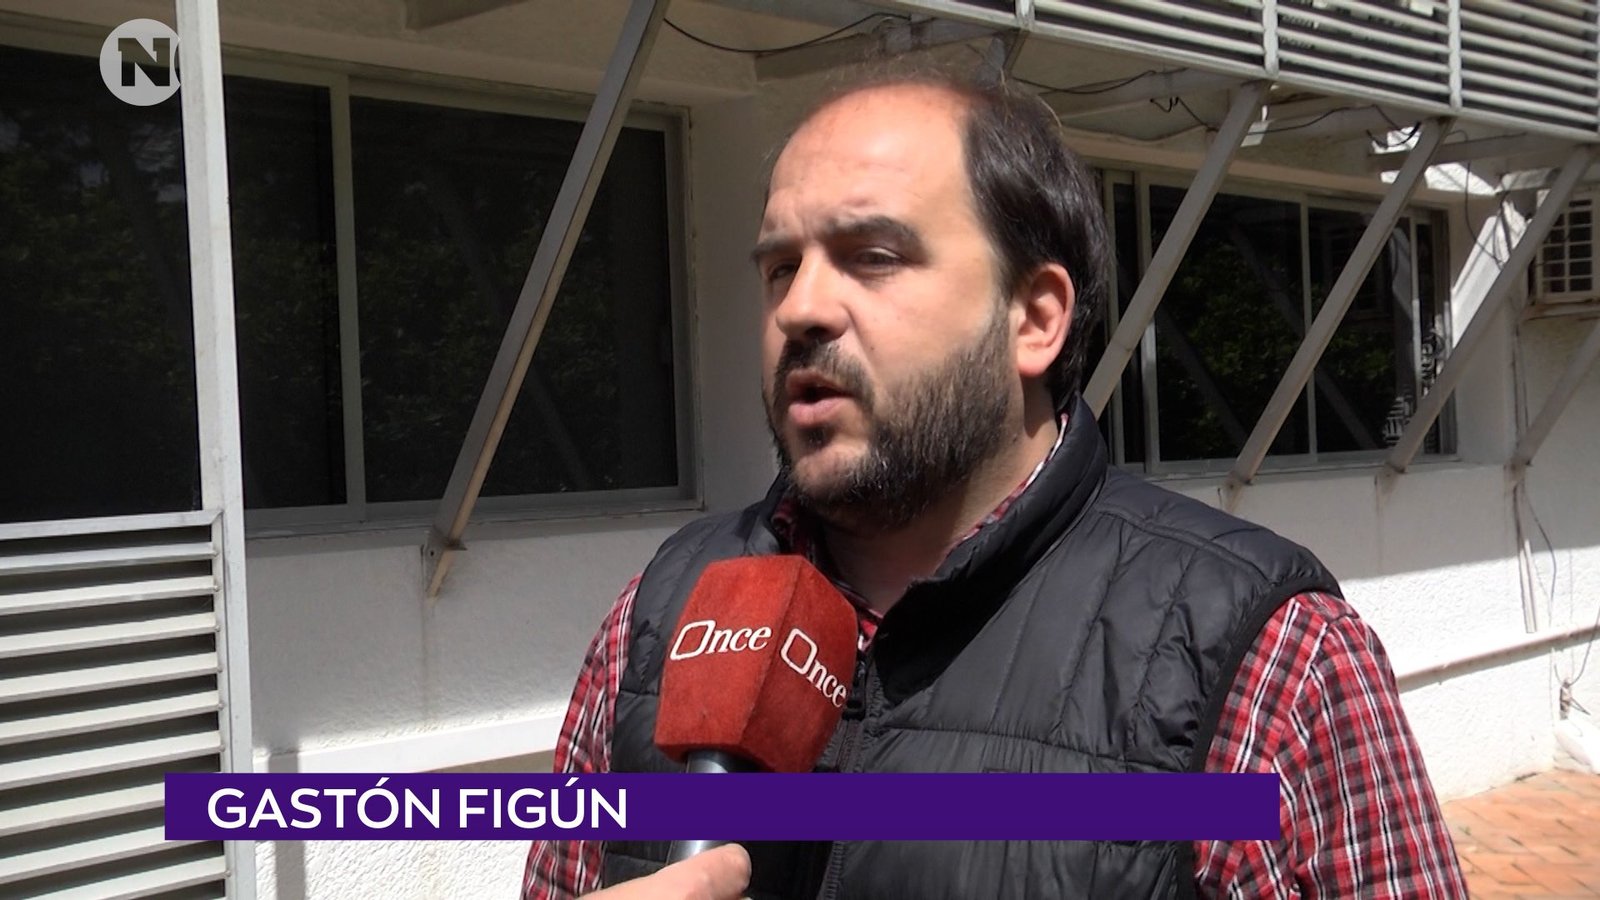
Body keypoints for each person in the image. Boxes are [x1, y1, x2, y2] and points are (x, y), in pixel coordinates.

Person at [524, 66, 1467, 898]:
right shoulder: (656, 617)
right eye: (780, 268)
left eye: (873, 257)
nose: (801, 308)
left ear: (1035, 318)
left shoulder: (1269, 656)